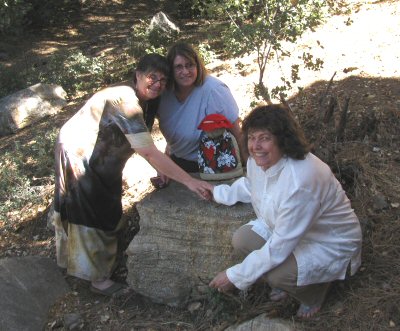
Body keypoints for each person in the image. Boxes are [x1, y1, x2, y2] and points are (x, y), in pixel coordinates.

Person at [51, 53, 212, 297]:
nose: (157, 84)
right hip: (80, 152)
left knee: (109, 202)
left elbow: (146, 142)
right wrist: (189, 181)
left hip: (105, 157)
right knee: (90, 208)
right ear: (138, 75)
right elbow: (147, 150)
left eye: (163, 80)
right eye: (152, 77)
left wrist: (162, 168)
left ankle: (98, 266)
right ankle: (97, 279)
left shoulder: (148, 100)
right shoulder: (124, 100)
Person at [208, 104, 362, 318]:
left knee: (277, 275)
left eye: (265, 138)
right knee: (243, 240)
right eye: (252, 137)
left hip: (329, 242)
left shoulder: (301, 180)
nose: (256, 146)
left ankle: (314, 293)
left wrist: (234, 276)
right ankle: (294, 280)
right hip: (293, 232)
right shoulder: (259, 161)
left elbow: (279, 247)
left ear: (282, 138)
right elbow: (252, 185)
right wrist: (217, 193)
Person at [156, 42, 247, 182]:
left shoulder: (214, 90)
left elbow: (237, 132)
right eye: (178, 67)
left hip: (216, 168)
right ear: (170, 70)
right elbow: (175, 135)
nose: (185, 71)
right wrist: (165, 165)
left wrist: (251, 169)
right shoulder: (163, 94)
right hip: (179, 165)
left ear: (198, 65)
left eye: (189, 65)